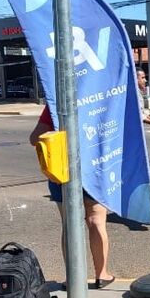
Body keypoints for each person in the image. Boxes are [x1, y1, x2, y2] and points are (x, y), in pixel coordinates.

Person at [29, 106, 115, 288]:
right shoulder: (99, 95)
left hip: (62, 172)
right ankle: (102, 274)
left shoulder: (56, 99)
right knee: (96, 221)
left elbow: (35, 137)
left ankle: (73, 279)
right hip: (95, 171)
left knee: (69, 225)